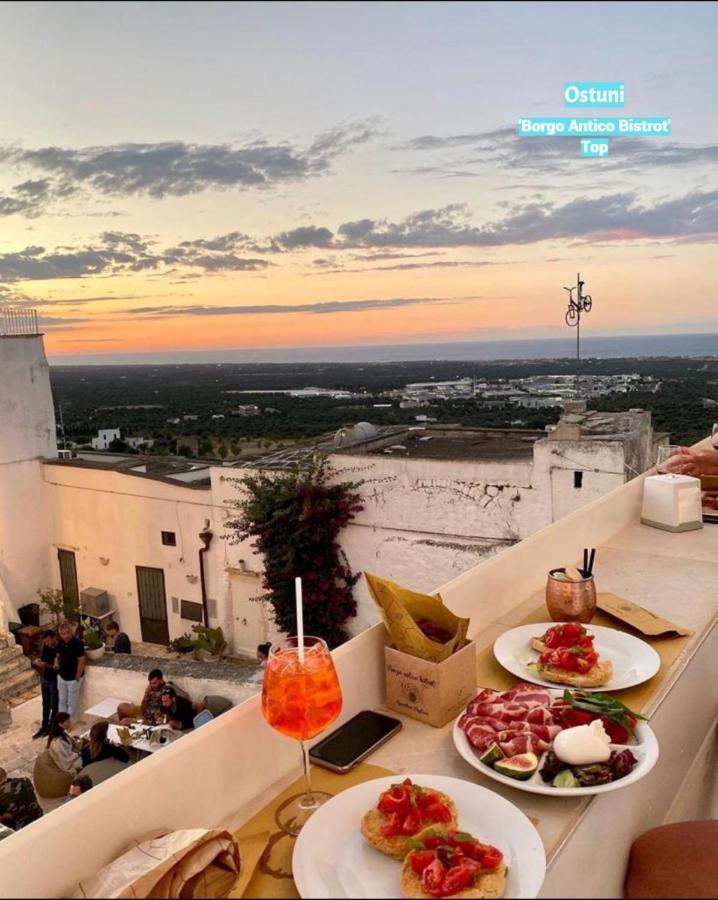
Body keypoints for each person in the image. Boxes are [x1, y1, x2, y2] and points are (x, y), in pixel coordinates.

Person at [31, 630, 59, 739]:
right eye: (45, 641)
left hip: (54, 680)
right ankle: (44, 726)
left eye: (48, 640)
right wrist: (39, 662)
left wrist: (45, 664)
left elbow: (57, 667)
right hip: (45, 678)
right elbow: (43, 660)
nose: (46, 643)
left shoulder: (59, 649)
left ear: (53, 638)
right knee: (45, 704)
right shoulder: (46, 647)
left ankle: (52, 727)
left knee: (54, 705)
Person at [55, 622, 85, 718]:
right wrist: (56, 663)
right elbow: (57, 655)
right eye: (63, 634)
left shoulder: (78, 643)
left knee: (71, 703)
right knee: (62, 701)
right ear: (60, 634)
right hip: (62, 677)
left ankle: (67, 722)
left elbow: (81, 660)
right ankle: (61, 723)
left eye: (68, 633)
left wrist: (77, 676)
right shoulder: (60, 643)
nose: (66, 636)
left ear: (71, 632)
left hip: (73, 679)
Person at [46, 713, 82, 778]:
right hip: (68, 767)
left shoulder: (62, 733)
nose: (70, 723)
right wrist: (79, 752)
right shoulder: (58, 743)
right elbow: (67, 761)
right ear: (60, 724)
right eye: (67, 722)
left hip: (70, 756)